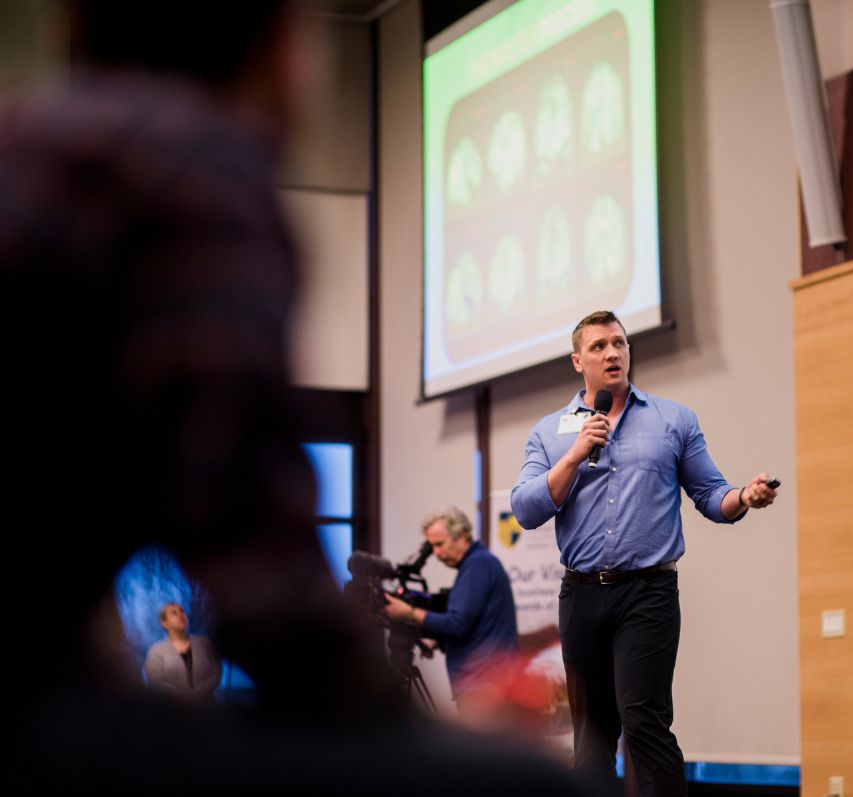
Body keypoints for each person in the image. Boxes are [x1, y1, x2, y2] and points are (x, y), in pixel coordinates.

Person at [4, 3, 602, 794]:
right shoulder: (191, 163)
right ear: (282, 47)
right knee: (525, 780)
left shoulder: (27, 147)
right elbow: (253, 559)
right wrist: (427, 730)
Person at [511, 310, 778, 797]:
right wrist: (573, 455)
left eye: (619, 343)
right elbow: (525, 509)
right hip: (581, 595)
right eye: (598, 347)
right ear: (578, 361)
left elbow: (712, 495)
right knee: (591, 737)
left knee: (645, 723)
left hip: (648, 593)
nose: (612, 353)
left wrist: (745, 496)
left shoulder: (673, 420)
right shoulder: (550, 431)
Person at [382, 508, 519, 698]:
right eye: (432, 546)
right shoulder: (481, 562)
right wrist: (439, 641)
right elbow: (476, 625)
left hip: (484, 689)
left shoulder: (477, 565)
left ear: (462, 536)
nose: (436, 553)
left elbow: (457, 624)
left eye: (440, 544)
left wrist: (408, 612)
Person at [144, 603, 223, 700]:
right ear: (164, 623)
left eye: (182, 611)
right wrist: (182, 698)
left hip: (206, 707)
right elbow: (155, 682)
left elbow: (215, 673)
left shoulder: (204, 643)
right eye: (174, 613)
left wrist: (198, 694)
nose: (180, 614)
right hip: (173, 709)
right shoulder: (156, 651)